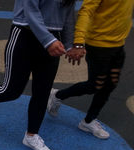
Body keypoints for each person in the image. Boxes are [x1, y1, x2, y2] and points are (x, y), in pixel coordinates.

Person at [0, 0, 76, 150]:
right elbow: (30, 11)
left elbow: (68, 15)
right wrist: (49, 41)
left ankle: (31, 135)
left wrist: (69, 44)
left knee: (42, 91)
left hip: (52, 38)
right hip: (24, 34)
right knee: (11, 90)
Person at [47, 0, 134, 139]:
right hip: (99, 45)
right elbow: (86, 11)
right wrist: (78, 42)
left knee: (110, 84)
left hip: (118, 44)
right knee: (96, 85)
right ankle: (57, 95)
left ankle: (88, 121)